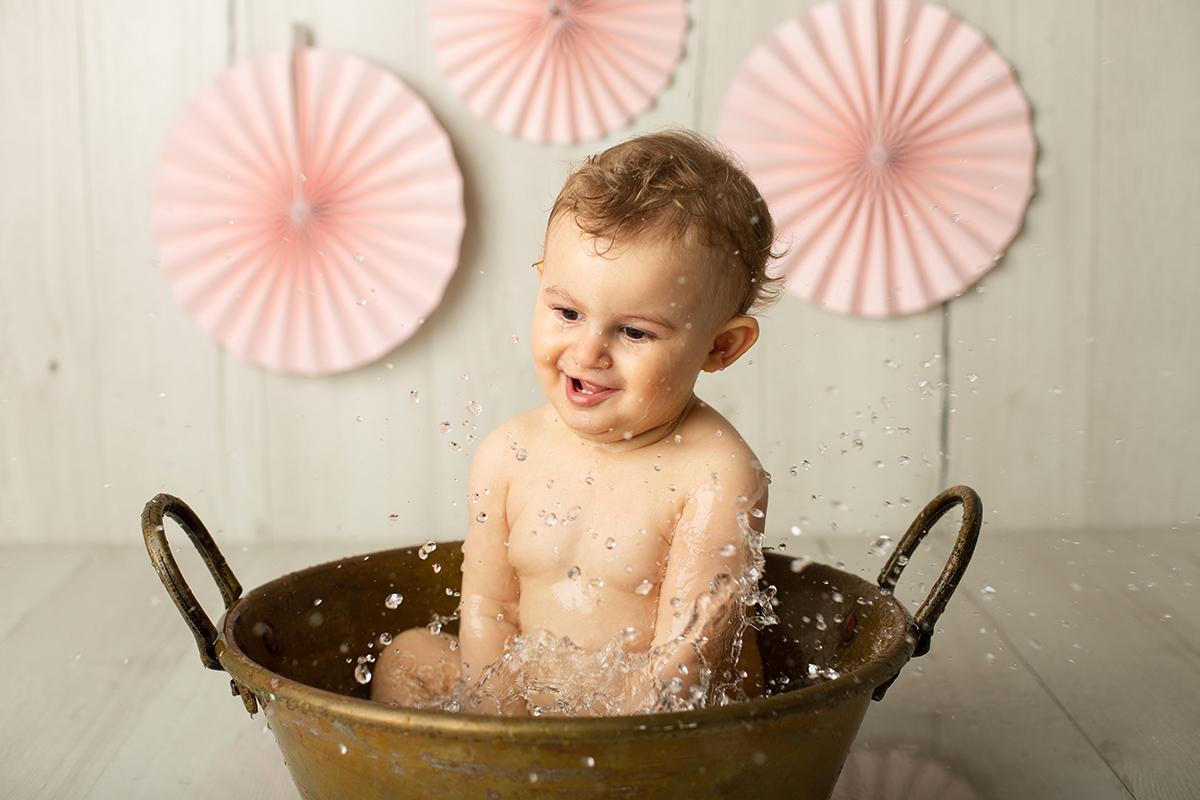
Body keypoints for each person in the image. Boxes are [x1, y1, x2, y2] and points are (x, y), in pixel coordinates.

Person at [371, 128, 782, 716]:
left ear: (721, 347)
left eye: (635, 332)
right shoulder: (507, 453)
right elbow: (489, 613)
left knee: (688, 696)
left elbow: (689, 657)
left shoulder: (717, 473)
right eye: (567, 312)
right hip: (534, 704)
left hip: (655, 716)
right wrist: (505, 727)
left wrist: (599, 740)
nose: (588, 352)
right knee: (408, 656)